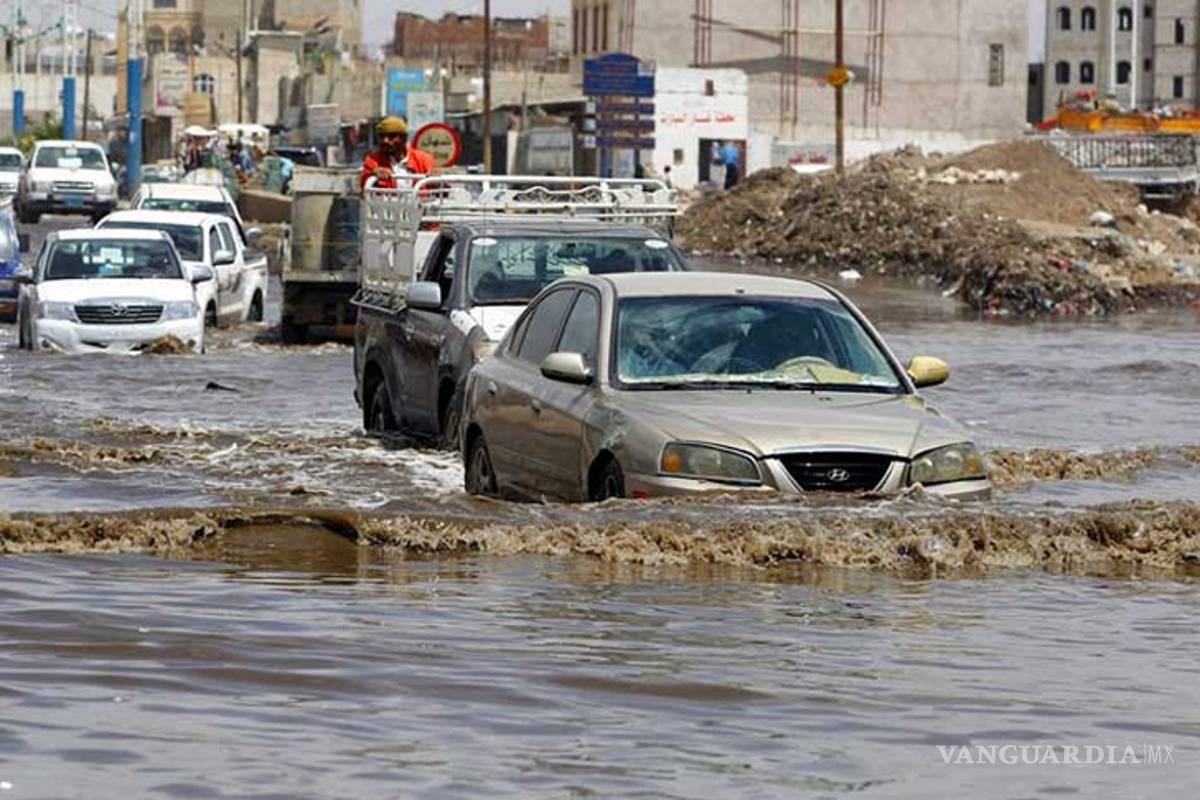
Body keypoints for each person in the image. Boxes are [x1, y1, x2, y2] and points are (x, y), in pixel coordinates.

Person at [359, 116, 436, 192]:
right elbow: (364, 187)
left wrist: (436, 177)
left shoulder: (424, 160)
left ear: (404, 138)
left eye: (391, 136)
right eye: (382, 136)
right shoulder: (372, 161)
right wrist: (373, 175)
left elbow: (438, 189)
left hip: (418, 200)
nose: (385, 141)